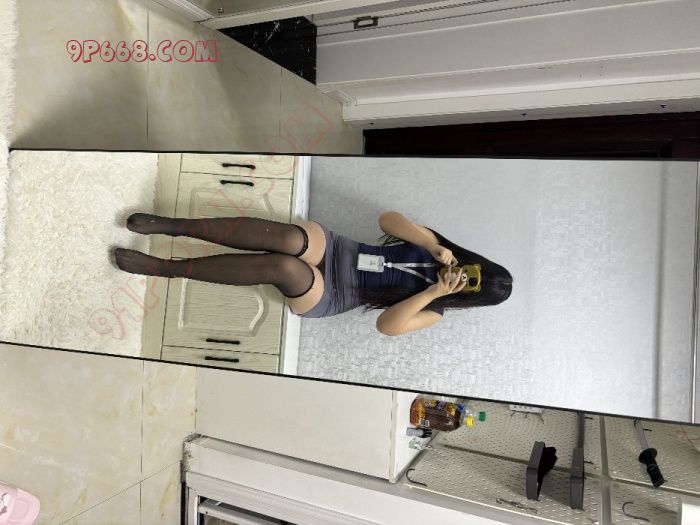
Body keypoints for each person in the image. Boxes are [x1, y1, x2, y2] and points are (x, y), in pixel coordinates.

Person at [114, 211, 513, 336]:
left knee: (283, 266)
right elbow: (387, 219)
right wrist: (430, 244)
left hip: (333, 294)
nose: (465, 277)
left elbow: (387, 326)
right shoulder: (437, 248)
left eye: (472, 285)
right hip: (340, 250)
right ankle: (175, 226)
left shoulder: (435, 311)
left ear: (472, 297)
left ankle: (166, 268)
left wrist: (433, 293)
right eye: (475, 270)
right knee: (290, 239)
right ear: (475, 261)